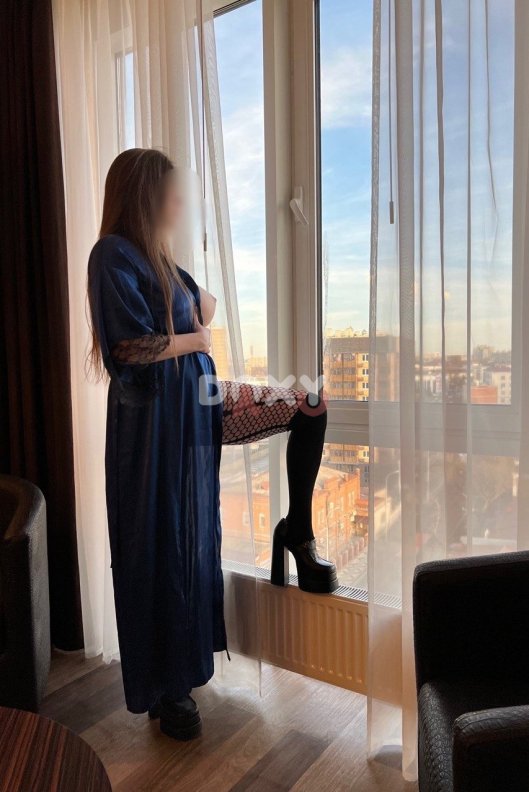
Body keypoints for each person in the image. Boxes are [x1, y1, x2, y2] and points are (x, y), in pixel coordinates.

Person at [87, 148, 338, 741]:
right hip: (154, 424)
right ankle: (166, 687)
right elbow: (128, 349)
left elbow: (204, 307)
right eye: (170, 190)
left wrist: (193, 311)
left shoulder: (158, 257)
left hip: (200, 405)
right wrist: (194, 337)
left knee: (308, 405)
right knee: (161, 541)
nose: (179, 201)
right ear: (144, 193)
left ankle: (296, 533)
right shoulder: (112, 254)